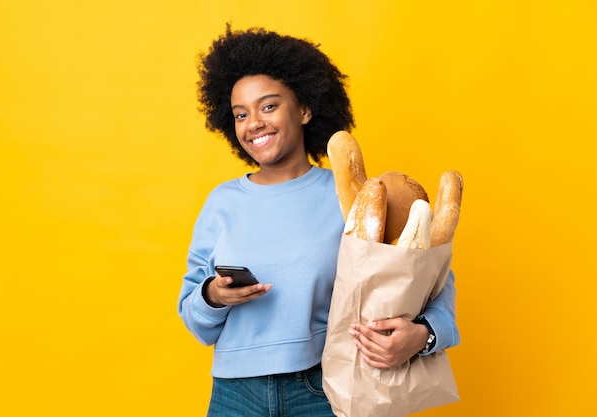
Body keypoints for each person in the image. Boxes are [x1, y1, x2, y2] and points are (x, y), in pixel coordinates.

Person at [178, 25, 460, 417]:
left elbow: (428, 279)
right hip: (234, 394)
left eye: (269, 106)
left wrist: (425, 335)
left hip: (324, 388)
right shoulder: (221, 202)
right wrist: (213, 295)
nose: (253, 123)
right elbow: (195, 318)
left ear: (306, 109)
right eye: (241, 114)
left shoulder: (355, 197)